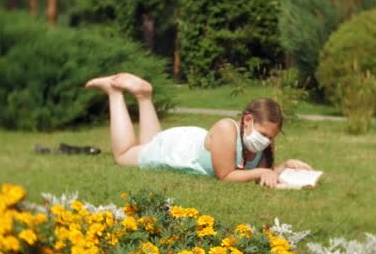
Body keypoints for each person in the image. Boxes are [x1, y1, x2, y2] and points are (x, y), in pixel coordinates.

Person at [85, 72, 312, 187]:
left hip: (185, 141)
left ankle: (143, 95)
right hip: (176, 151)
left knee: (151, 141)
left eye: (270, 137)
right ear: (248, 120)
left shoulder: (262, 141)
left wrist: (283, 168)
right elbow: (226, 175)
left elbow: (261, 172)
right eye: (263, 134)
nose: (266, 140)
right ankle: (114, 92)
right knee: (124, 155)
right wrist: (264, 172)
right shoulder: (226, 128)